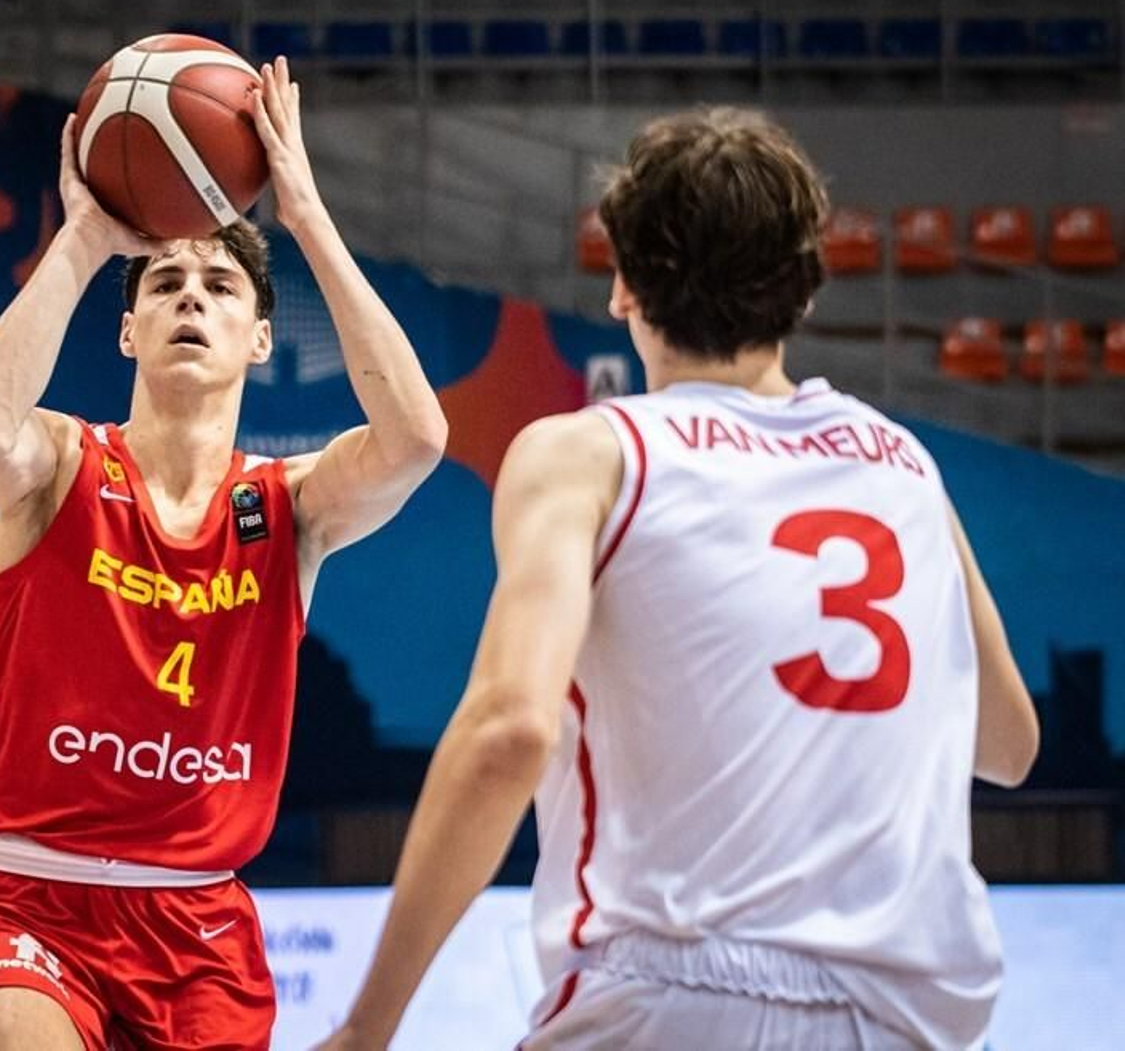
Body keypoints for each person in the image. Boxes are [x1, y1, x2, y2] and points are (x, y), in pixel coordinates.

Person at [320, 108, 1040, 1051]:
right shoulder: (902, 465)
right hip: (911, 1015)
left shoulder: (592, 454)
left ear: (624, 284)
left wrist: (366, 1027)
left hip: (672, 994)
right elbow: (1008, 744)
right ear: (804, 288)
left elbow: (510, 732)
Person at [0, 55, 446, 1049]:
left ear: (260, 339)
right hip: (24, 894)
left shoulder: (287, 506)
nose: (191, 299)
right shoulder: (61, 463)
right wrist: (86, 237)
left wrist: (306, 215)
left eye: (219, 286)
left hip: (195, 919)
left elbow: (417, 440)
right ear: (129, 331)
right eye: (166, 283)